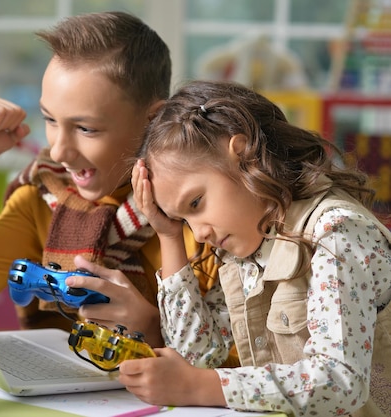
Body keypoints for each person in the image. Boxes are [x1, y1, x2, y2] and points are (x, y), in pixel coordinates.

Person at [0, 12, 223, 351]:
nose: (59, 150)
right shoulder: (42, 200)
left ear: (153, 121)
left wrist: (154, 332)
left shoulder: (198, 215)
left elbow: (248, 363)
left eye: (86, 128)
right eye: (49, 119)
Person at [119, 80, 391, 416]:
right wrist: (169, 235)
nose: (199, 234)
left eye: (196, 202)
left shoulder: (335, 231)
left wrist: (197, 386)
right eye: (183, 220)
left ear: (244, 154)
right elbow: (196, 357)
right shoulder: (247, 248)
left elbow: (339, 381)